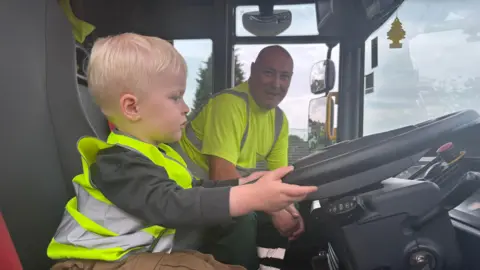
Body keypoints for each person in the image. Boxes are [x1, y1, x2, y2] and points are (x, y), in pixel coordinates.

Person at [46, 33, 318, 270]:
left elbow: (194, 186)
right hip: (98, 263)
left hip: (137, 257)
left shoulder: (161, 155)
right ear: (132, 108)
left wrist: (244, 182)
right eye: (176, 97)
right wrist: (249, 196)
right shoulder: (117, 163)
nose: (186, 107)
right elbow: (170, 203)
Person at [178, 46, 299, 269]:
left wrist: (289, 208)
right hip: (187, 191)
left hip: (218, 190)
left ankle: (271, 264)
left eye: (285, 76)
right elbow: (222, 178)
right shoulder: (229, 104)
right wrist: (274, 209)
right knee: (242, 217)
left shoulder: (280, 121)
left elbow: (277, 178)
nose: (276, 84)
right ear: (253, 70)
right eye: (268, 73)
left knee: (293, 211)